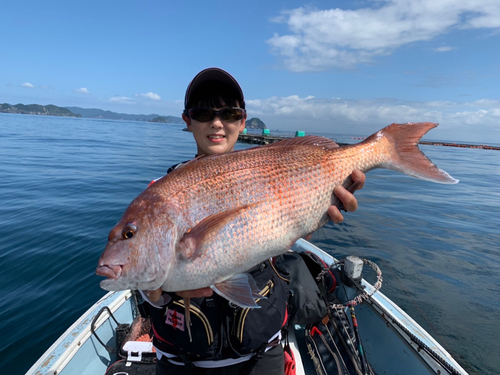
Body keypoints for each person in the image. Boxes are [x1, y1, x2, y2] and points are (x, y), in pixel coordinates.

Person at [140, 67, 366, 375]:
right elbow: (137, 266)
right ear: (187, 121)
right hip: (181, 362)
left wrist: (317, 212)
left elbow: (288, 233)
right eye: (204, 113)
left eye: (230, 113)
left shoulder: (268, 175)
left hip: (262, 357)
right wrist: (156, 291)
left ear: (243, 121)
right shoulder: (159, 195)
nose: (217, 123)